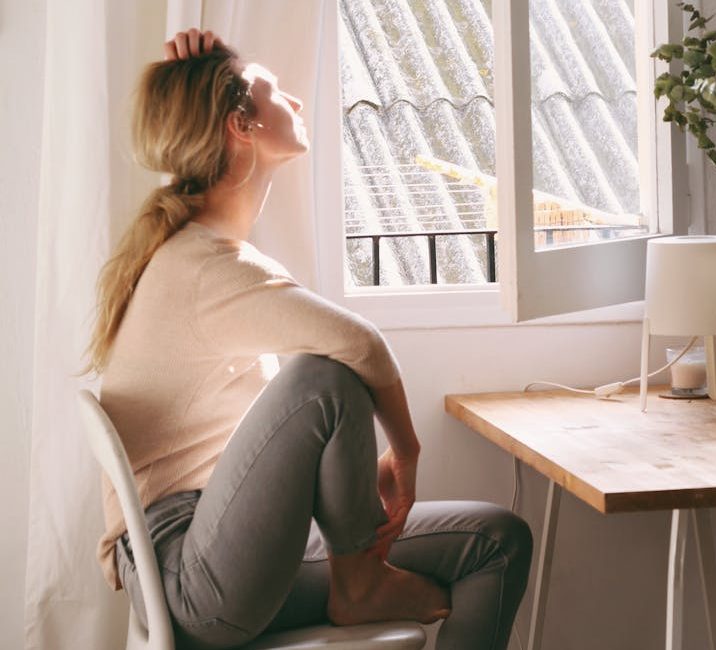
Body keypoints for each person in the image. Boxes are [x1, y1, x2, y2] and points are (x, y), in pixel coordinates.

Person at [85, 28, 532, 650]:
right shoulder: (203, 265)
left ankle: (359, 576)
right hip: (193, 577)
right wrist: (405, 454)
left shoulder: (202, 255)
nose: (294, 101)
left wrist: (218, 70)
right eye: (275, 92)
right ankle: (360, 581)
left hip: (216, 551)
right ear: (241, 126)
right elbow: (363, 346)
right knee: (324, 374)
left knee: (496, 541)